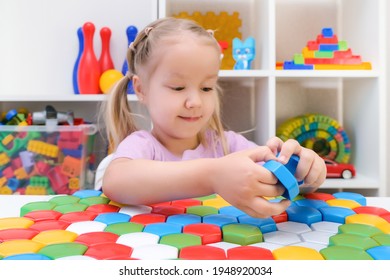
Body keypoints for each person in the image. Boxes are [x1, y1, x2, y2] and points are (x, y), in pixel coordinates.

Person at [102, 17, 326, 218]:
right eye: (178, 87)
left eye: (206, 88)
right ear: (141, 90)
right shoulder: (143, 146)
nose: (196, 102)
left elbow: (272, 177)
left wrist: (302, 171)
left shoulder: (227, 145)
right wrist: (212, 176)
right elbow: (115, 181)